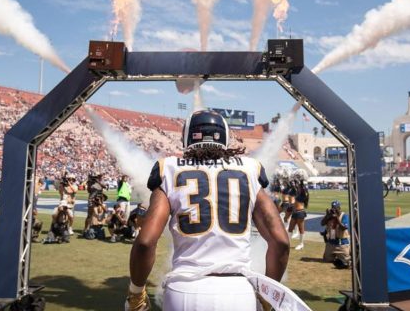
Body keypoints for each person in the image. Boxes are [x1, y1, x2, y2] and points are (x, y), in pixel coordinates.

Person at [125, 110, 293, 311]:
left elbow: (145, 242)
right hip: (238, 292)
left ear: (187, 137)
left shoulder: (168, 168)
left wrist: (136, 293)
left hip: (183, 290)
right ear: (224, 138)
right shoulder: (250, 169)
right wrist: (268, 295)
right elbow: (281, 241)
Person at [320, 200, 351, 269]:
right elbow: (322, 223)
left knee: (346, 261)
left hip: (341, 243)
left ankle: (346, 254)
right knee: (326, 260)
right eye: (333, 208)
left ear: (339, 208)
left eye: (335, 208)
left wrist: (337, 217)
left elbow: (344, 228)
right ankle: (336, 256)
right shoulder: (330, 216)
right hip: (331, 243)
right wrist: (327, 216)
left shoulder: (344, 216)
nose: (334, 210)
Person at [285, 176, 309, 250]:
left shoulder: (303, 194)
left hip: (300, 213)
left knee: (301, 229)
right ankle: (287, 244)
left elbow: (302, 188)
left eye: (298, 185)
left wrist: (301, 180)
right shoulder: (298, 192)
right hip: (295, 213)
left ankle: (301, 244)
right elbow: (294, 187)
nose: (297, 186)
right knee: (290, 228)